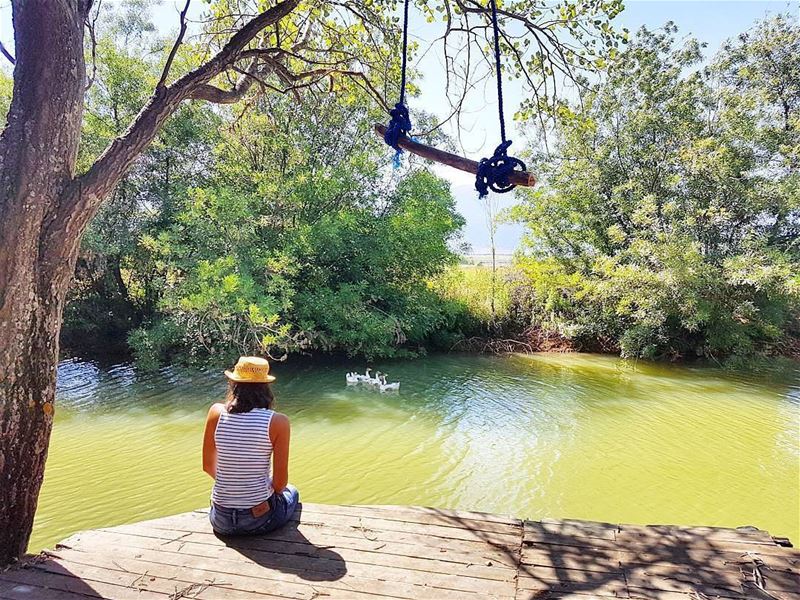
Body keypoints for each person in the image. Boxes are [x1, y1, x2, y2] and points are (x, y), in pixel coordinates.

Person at [202, 356, 299, 535]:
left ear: (233, 383)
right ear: (266, 387)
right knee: (292, 491)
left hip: (220, 520)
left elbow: (208, 466)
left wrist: (234, 486)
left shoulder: (216, 413)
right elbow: (279, 484)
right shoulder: (278, 422)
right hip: (259, 519)